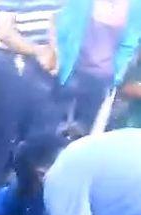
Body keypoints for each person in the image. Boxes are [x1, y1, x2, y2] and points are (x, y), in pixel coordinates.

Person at [0, 0, 61, 193]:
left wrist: (56, 53)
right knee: (5, 139)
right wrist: (40, 51)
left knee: (40, 143)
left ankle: (27, 200)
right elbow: (4, 31)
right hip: (16, 63)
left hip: (50, 68)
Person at [55, 0, 141, 133]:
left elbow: (129, 47)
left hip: (105, 87)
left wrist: (116, 80)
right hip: (68, 78)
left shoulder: (136, 7)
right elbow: (61, 32)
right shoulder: (79, 3)